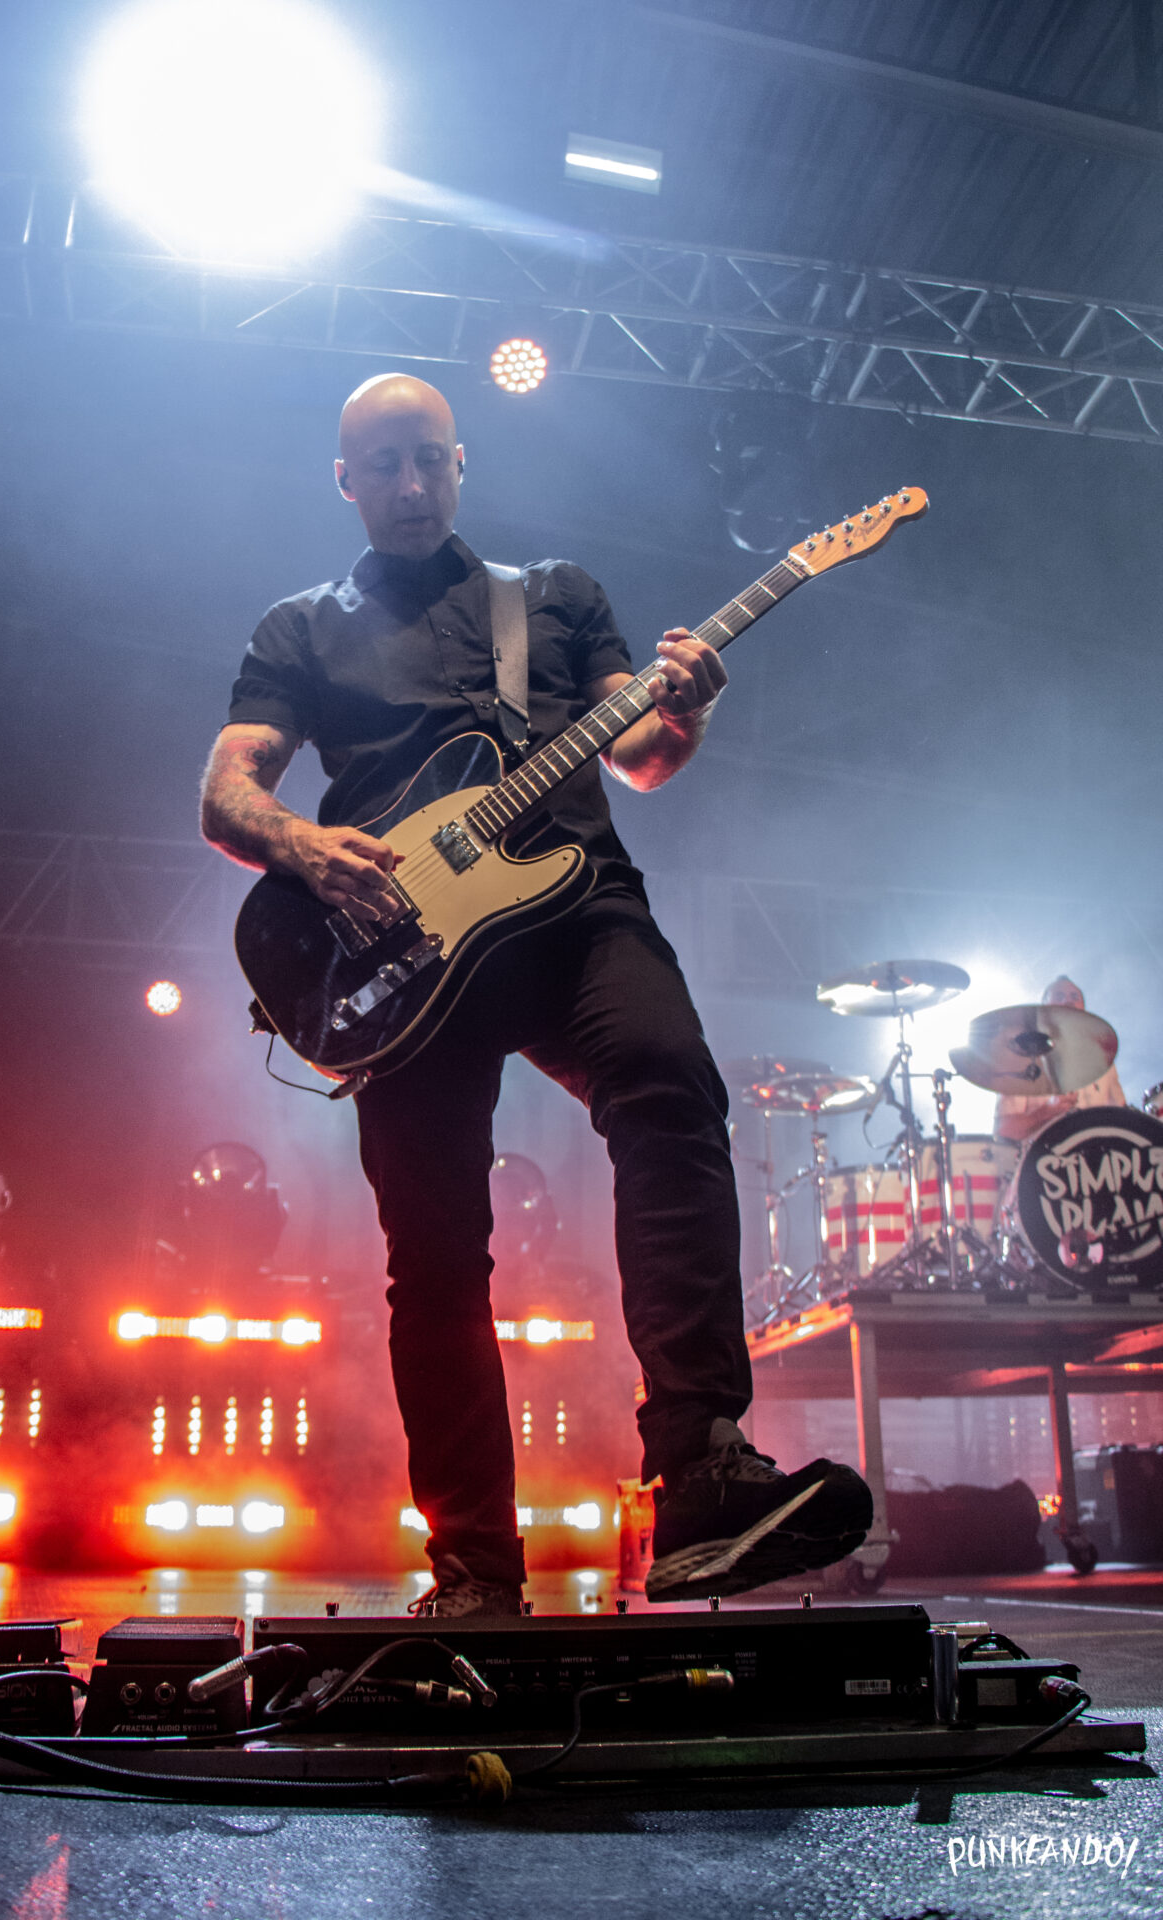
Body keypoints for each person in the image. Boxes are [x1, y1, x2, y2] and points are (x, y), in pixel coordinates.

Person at [200, 373, 871, 1614]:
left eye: (428, 459)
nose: (409, 484)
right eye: (383, 464)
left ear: (461, 465)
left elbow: (641, 756)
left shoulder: (553, 597)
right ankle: (472, 1567)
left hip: (573, 910)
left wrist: (687, 712)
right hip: (401, 950)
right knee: (434, 1257)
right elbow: (227, 791)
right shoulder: (299, 628)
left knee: (670, 1086)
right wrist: (303, 847)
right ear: (344, 481)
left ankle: (698, 1468)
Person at [994, 975, 1128, 1146]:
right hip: (1040, 1159)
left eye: (1074, 997)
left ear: (1084, 1010)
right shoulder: (1020, 1059)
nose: (1068, 1001)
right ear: (1044, 1009)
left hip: (1099, 1158)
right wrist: (1048, 1111)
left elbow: (1125, 1122)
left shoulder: (1103, 1062)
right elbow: (1004, 1131)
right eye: (1059, 996)